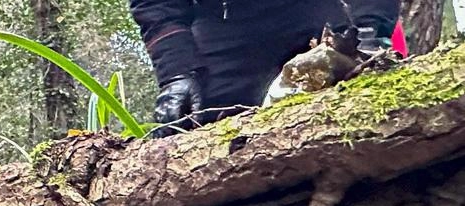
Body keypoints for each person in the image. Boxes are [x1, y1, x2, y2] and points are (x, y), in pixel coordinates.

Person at [130, 0, 403, 133]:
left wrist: (369, 28)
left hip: (314, 17)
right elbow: (156, 4)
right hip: (222, 28)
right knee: (186, 127)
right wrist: (176, 73)